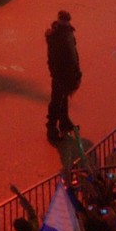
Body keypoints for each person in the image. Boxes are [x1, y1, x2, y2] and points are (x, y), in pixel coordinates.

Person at [45, 10, 82, 143]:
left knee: (62, 97)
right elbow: (64, 57)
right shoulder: (58, 37)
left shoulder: (64, 33)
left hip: (64, 73)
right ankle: (52, 128)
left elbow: (73, 54)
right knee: (57, 100)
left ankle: (64, 121)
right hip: (61, 74)